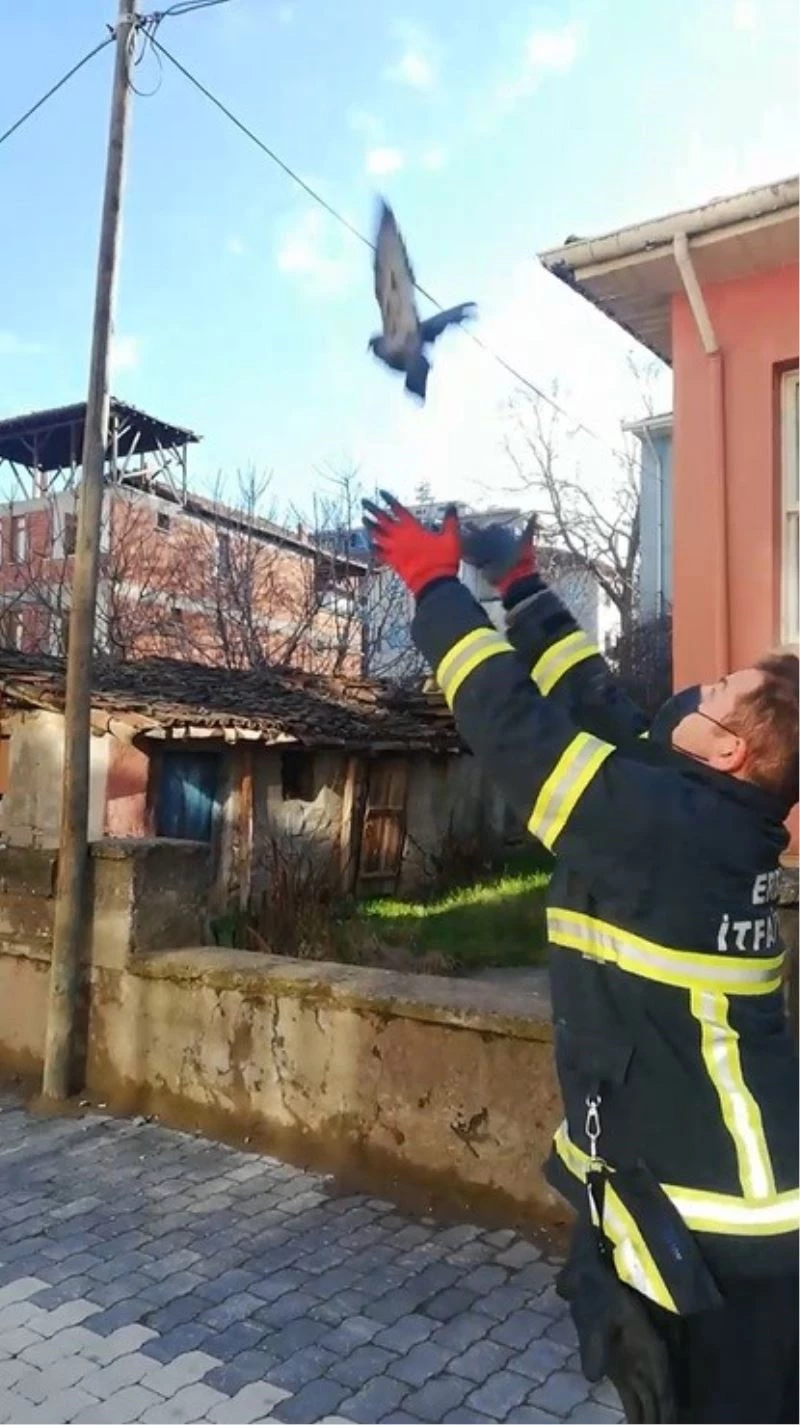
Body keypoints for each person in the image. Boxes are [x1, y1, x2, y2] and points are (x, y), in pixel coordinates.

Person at [362, 492, 799, 1425]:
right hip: (714, 1208)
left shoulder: (667, 831)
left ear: (726, 750)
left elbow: (519, 732)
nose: (701, 686)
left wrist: (437, 586)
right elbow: (595, 704)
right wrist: (521, 589)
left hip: (726, 1236)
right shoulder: (705, 819)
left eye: (719, 690)